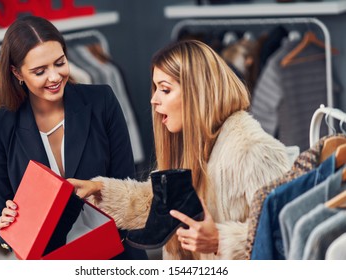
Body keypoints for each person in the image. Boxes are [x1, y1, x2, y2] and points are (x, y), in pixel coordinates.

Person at [68, 40, 291, 260]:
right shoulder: (192, 144)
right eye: (155, 89)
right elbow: (162, 206)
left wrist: (221, 241)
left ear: (198, 91)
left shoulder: (255, 151)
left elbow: (284, 233)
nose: (154, 100)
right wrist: (100, 189)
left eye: (165, 89)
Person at [0, 15, 147, 259]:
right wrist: (7, 230)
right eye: (40, 71)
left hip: (115, 252)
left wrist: (98, 189)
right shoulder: (0, 126)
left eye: (60, 63)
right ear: (17, 73)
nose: (55, 77)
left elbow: (127, 187)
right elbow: (0, 221)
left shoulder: (102, 101)